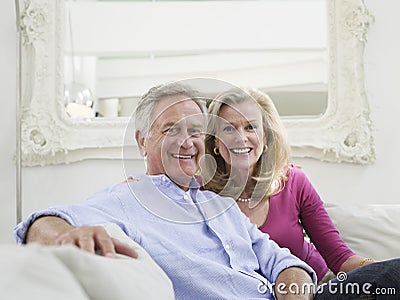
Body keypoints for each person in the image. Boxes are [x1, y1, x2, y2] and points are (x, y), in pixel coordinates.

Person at [15, 82, 317, 299]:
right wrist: (60, 235)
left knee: (363, 280)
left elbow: (285, 263)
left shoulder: (220, 205)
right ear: (142, 142)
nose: (187, 142)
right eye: (171, 129)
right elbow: (42, 222)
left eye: (195, 131)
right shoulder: (126, 199)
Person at [202, 87, 400, 297]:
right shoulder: (199, 194)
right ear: (214, 139)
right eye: (228, 129)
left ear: (266, 136)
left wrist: (382, 272)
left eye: (250, 127)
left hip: (317, 289)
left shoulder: (293, 181)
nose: (240, 138)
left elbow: (340, 258)